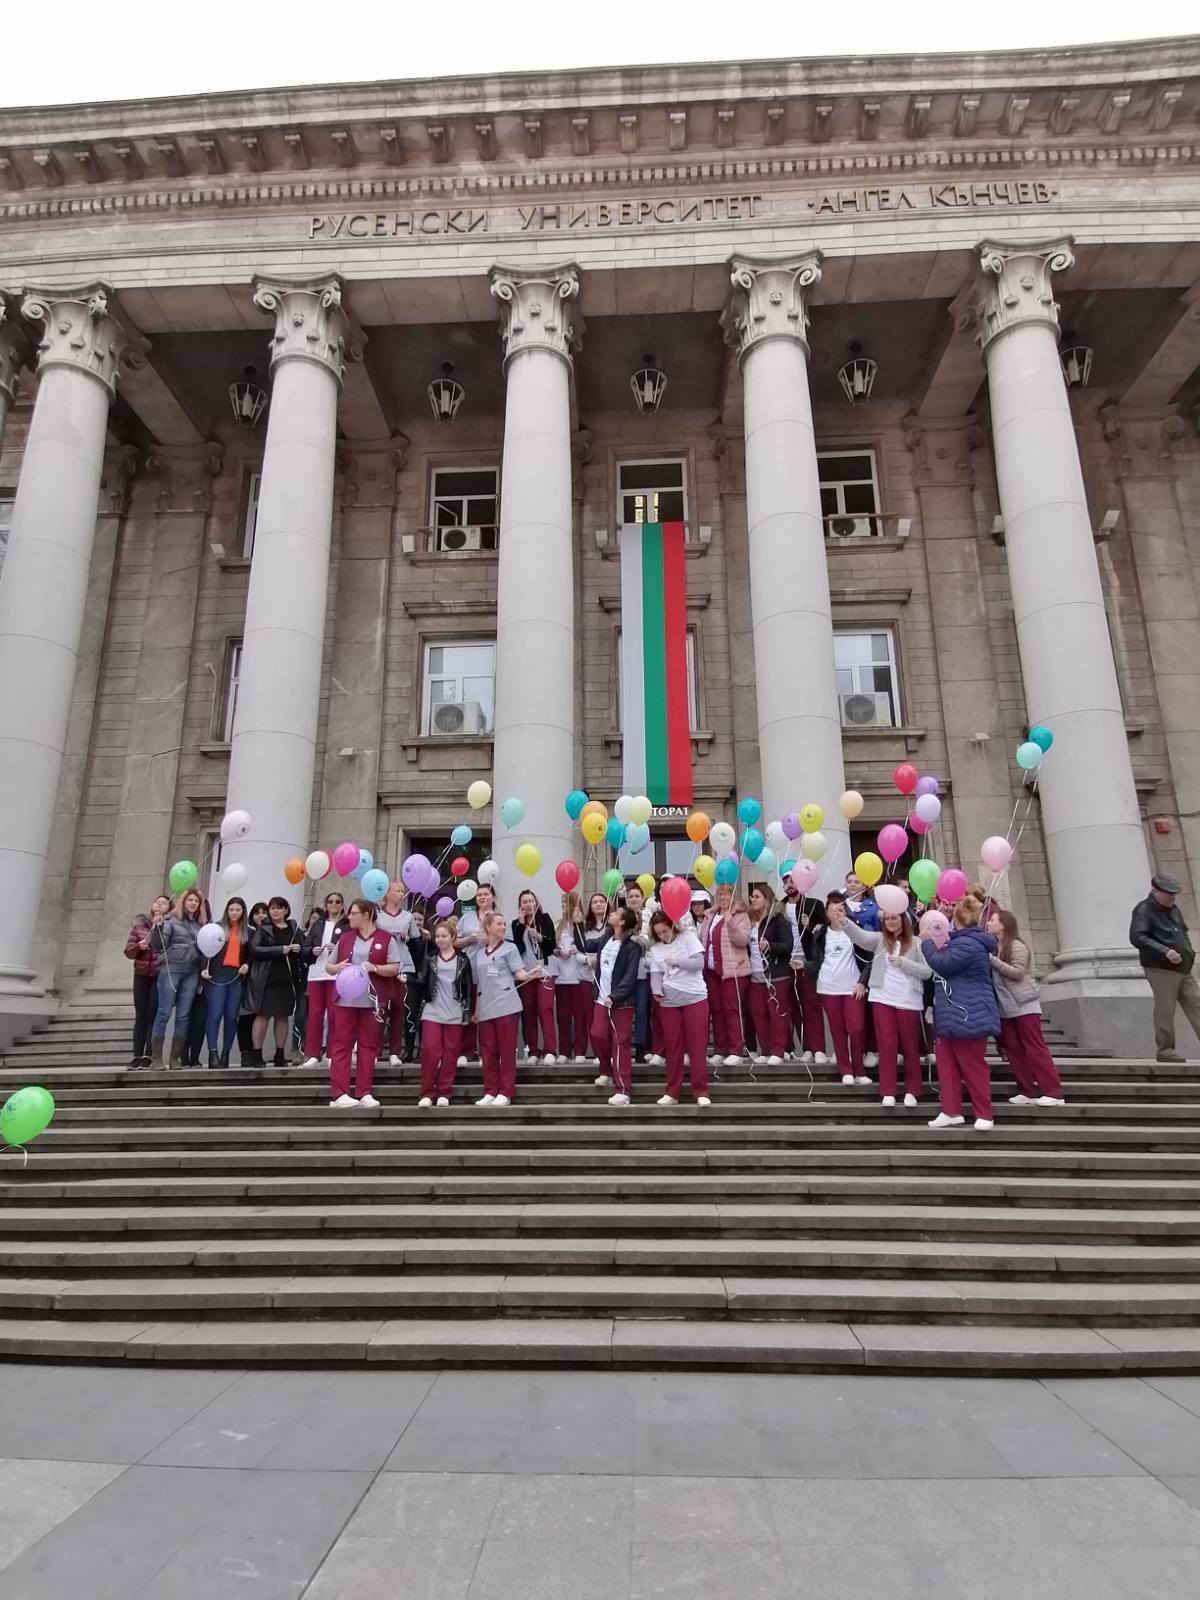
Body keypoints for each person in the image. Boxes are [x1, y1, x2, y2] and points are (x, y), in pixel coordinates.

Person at [923, 894, 1000, 1131]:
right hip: (951, 1011)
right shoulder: (960, 941)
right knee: (947, 1066)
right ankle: (950, 1110)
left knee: (973, 1066)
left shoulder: (970, 943)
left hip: (969, 1012)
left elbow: (943, 964)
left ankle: (984, 1113)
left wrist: (926, 942)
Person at [843, 903, 931, 1106]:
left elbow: (927, 972)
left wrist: (904, 963)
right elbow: (862, 938)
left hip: (908, 1001)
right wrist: (845, 922)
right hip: (882, 999)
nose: (890, 922)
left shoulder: (917, 943)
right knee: (886, 1045)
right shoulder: (881, 940)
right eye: (887, 919)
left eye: (894, 918)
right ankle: (888, 1091)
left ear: (904, 920)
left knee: (910, 1047)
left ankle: (912, 1090)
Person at [987, 909, 1066, 1106]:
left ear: (1003, 924)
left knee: (1035, 1048)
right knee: (1013, 1049)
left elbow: (1018, 973)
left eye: (993, 920)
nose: (988, 923)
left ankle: (1053, 1092)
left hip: (1024, 1004)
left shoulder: (1016, 946)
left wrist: (992, 960)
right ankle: (1026, 1090)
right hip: (1006, 1007)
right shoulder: (997, 948)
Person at [325, 897, 399, 1107]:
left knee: (368, 1046)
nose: (349, 917)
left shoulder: (386, 938)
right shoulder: (345, 938)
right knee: (342, 1045)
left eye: (353, 913)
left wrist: (375, 968)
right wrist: (338, 967)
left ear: (366, 915)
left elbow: (394, 967)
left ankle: (364, 1091)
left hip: (371, 1001)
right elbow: (329, 966)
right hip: (346, 1000)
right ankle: (339, 1092)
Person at [1130, 870, 1199, 1064]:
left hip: (1183, 968)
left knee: (1197, 1004)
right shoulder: (1144, 909)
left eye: (1174, 893)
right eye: (1169, 893)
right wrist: (1164, 951)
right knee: (1166, 1009)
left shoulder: (1174, 909)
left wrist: (1189, 952)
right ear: (1156, 891)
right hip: (1160, 968)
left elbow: (1183, 932)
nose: (1172, 897)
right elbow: (1137, 937)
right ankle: (1165, 1050)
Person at [647, 907, 711, 1106]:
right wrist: (656, 990)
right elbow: (655, 974)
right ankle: (672, 1092)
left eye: (665, 931)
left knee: (696, 1046)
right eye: (658, 933)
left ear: (673, 926)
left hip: (694, 997)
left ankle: (700, 1090)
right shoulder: (656, 949)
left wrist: (677, 961)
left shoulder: (688, 938)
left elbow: (699, 963)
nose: (663, 936)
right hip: (669, 1001)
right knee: (673, 1047)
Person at [808, 891, 871, 1086]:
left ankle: (859, 1070)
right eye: (833, 910)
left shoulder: (855, 930)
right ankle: (845, 1070)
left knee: (856, 1028)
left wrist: (862, 981)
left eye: (841, 910)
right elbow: (816, 960)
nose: (837, 914)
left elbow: (869, 958)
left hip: (853, 987)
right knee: (837, 1030)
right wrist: (805, 966)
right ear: (826, 913)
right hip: (828, 988)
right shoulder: (820, 933)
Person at [475, 909, 537, 1107]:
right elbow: (478, 984)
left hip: (506, 1006)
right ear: (488, 927)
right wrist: (476, 1010)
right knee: (488, 1051)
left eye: (504, 924)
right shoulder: (479, 954)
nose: (503, 927)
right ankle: (490, 1090)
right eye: (499, 924)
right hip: (486, 1007)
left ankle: (505, 1091)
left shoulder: (510, 948)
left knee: (507, 1050)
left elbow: (519, 974)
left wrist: (530, 975)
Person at [416, 918, 475, 1106]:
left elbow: (468, 987)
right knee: (430, 1051)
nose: (440, 939)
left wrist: (468, 1012)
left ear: (453, 938)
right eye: (437, 936)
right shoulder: (430, 958)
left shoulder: (463, 960)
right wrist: (407, 980)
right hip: (432, 1010)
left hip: (454, 1011)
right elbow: (422, 981)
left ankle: (444, 1092)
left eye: (444, 936)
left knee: (451, 1054)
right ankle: (426, 1093)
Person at [591, 904, 641, 1106]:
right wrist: (576, 923)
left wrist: (616, 995)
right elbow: (586, 944)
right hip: (601, 998)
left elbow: (630, 976)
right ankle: (606, 1070)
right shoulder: (606, 938)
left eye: (615, 913)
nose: (610, 913)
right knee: (597, 1035)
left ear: (622, 921)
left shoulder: (632, 946)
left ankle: (623, 1089)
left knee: (620, 1043)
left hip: (621, 1002)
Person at [148, 887, 204, 1068]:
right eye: (190, 900)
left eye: (196, 901)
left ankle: (174, 1057)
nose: (193, 903)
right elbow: (158, 945)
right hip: (171, 969)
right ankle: (156, 1058)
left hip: (191, 971)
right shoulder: (170, 920)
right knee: (164, 1012)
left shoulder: (199, 925)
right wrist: (157, 928)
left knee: (183, 1015)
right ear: (183, 901)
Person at [700, 883, 752, 1067]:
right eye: (720, 894)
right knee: (717, 1011)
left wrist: (730, 923)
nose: (722, 898)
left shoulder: (741, 915)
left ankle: (736, 1050)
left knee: (732, 1010)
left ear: (733, 896)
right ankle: (720, 1050)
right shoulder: (710, 915)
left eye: (726, 894)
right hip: (712, 972)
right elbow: (703, 940)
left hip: (733, 971)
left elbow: (743, 940)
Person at [248, 896, 303, 1068]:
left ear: (286, 910)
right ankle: (257, 1054)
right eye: (272, 908)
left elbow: (304, 947)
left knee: (282, 1016)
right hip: (267, 979)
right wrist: (279, 950)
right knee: (262, 1016)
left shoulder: (293, 927)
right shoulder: (264, 929)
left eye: (279, 908)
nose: (275, 911)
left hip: (287, 979)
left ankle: (280, 1054)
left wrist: (299, 948)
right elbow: (255, 949)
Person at [781, 876, 827, 1065]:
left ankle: (818, 1049)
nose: (789, 885)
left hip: (807, 963)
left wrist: (810, 927)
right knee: (793, 1008)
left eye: (792, 881)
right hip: (786, 964)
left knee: (811, 1006)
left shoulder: (814, 904)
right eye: (786, 882)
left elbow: (825, 932)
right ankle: (805, 1048)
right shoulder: (779, 907)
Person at [299, 891, 347, 1068]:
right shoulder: (318, 924)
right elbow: (305, 948)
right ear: (326, 905)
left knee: (335, 1014)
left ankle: (332, 1052)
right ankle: (312, 1053)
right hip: (317, 973)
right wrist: (312, 950)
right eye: (330, 901)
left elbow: (351, 948)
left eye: (337, 901)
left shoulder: (347, 925)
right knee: (315, 1014)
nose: (334, 904)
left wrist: (338, 948)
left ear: (342, 904)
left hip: (336, 973)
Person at [747, 884, 793, 1065]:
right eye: (752, 896)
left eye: (757, 896)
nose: (753, 899)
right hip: (755, 976)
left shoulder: (778, 920)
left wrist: (770, 946)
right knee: (759, 1014)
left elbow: (788, 946)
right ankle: (765, 1050)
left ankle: (778, 1051)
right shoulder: (751, 921)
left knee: (777, 1014)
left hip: (776, 976)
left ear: (767, 899)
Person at [202, 897, 249, 1068]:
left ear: (243, 912)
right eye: (231, 910)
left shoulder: (248, 932)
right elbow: (204, 949)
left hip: (236, 977)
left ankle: (225, 1053)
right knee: (215, 1015)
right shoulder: (216, 928)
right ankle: (212, 1053)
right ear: (226, 911)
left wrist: (247, 964)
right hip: (217, 976)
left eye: (238, 910)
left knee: (231, 1016)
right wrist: (204, 968)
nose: (234, 913)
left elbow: (252, 954)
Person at [512, 889, 557, 1063]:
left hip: (545, 970)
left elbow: (552, 944)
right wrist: (521, 925)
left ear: (536, 903)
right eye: (524, 902)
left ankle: (550, 1050)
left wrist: (540, 937)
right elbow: (517, 948)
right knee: (528, 1011)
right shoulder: (516, 924)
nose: (528, 905)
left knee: (545, 1008)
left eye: (531, 901)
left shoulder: (544, 919)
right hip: (526, 973)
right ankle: (533, 1050)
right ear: (520, 905)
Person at [124, 893, 169, 1070]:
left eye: (164, 903)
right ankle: (137, 1054)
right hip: (141, 974)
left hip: (158, 975)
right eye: (157, 902)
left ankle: (148, 1054)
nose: (159, 905)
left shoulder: (168, 926)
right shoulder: (139, 927)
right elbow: (128, 952)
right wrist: (138, 947)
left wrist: (161, 928)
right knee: (140, 1014)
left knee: (153, 1014)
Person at [455, 881, 498, 1063]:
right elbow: (455, 942)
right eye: (479, 895)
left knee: (489, 1012)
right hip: (470, 970)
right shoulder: (467, 918)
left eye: (486, 894)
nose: (482, 897)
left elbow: (508, 942)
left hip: (492, 972)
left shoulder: (498, 918)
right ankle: (467, 1050)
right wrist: (470, 939)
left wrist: (490, 939)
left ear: (493, 897)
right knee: (469, 1009)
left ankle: (488, 1051)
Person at [376, 880, 414, 1066]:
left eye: (402, 891)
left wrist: (406, 937)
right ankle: (375, 1051)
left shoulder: (408, 916)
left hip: (402, 965)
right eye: (397, 891)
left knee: (399, 1009)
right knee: (379, 1009)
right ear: (387, 893)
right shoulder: (377, 915)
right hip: (382, 967)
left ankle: (394, 1052)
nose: (401, 894)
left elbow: (415, 939)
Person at [553, 890, 591, 1062]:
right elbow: (552, 948)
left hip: (579, 977)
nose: (563, 906)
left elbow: (587, 945)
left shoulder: (583, 925)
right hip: (562, 978)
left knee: (580, 1016)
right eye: (561, 903)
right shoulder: (558, 924)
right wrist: (558, 951)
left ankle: (580, 1050)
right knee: (563, 1016)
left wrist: (579, 949)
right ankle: (564, 1050)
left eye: (566, 903)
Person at [237, 902, 269, 1066]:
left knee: (259, 1017)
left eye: (264, 912)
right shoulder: (248, 933)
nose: (261, 915)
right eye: (257, 913)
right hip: (246, 979)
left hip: (264, 981)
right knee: (245, 1017)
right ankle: (245, 1052)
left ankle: (256, 1052)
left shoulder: (270, 933)